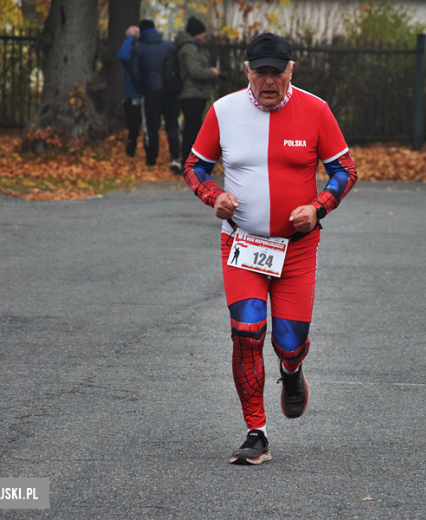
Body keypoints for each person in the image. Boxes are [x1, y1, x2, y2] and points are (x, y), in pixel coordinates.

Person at [183, 32, 358, 465]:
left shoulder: (316, 110)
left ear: (290, 71)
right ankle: (255, 431)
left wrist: (319, 207)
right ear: (247, 71)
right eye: (260, 72)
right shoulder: (223, 111)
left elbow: (345, 171)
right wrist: (213, 197)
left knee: (288, 341)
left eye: (276, 73)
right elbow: (194, 167)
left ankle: (292, 370)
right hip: (242, 243)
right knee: (247, 331)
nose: (268, 81)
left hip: (296, 249)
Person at [130, 19, 181, 172]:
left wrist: (141, 89)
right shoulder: (169, 47)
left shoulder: (138, 49)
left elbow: (135, 72)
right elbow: (177, 69)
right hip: (170, 92)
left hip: (150, 91)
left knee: (151, 127)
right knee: (172, 125)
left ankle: (151, 160)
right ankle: (175, 158)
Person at [175, 16, 220, 163]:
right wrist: (212, 72)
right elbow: (194, 71)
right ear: (197, 33)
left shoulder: (192, 46)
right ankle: (189, 162)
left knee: (192, 128)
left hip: (195, 93)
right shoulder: (190, 48)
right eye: (202, 33)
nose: (204, 36)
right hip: (191, 94)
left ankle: (190, 161)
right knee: (192, 130)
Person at [117, 25, 142, 157]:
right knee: (134, 126)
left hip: (136, 92)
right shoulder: (132, 54)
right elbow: (123, 55)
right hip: (134, 93)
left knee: (138, 125)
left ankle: (134, 152)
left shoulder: (138, 51)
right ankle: (132, 152)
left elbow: (123, 55)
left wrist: (129, 37)